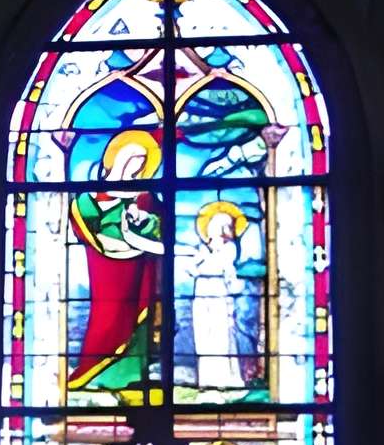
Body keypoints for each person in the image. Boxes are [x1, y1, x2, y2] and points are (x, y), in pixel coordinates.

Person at [68, 129, 165, 396]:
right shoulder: (88, 197)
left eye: (141, 160)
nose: (134, 163)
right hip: (105, 269)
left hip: (138, 270)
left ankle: (133, 376)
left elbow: (160, 229)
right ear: (114, 155)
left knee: (137, 320)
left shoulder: (144, 197)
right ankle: (96, 373)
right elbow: (84, 225)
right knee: (107, 318)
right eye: (130, 155)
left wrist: (143, 223)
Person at [187, 199, 250, 392]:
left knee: (221, 336)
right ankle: (206, 380)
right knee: (204, 336)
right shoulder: (202, 249)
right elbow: (192, 270)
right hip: (202, 293)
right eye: (218, 225)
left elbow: (224, 268)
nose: (222, 230)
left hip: (219, 293)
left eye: (226, 226)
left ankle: (225, 379)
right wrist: (199, 259)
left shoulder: (229, 249)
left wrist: (206, 258)